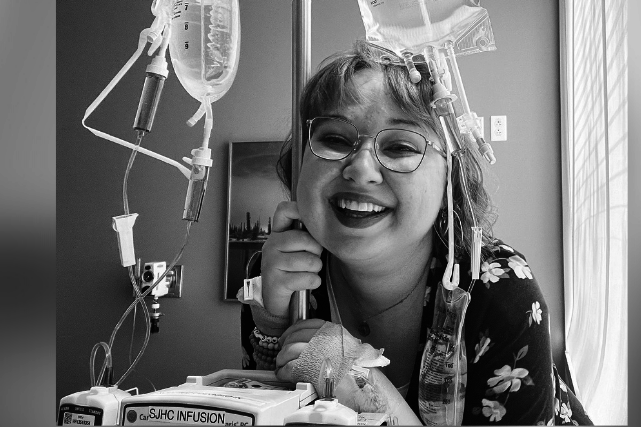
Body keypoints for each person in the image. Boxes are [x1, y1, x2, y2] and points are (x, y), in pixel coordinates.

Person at [239, 42, 591, 425]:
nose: (360, 169)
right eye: (335, 139)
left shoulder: (499, 290)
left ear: (448, 185)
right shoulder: (281, 273)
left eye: (400, 146)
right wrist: (272, 322)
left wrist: (365, 385)